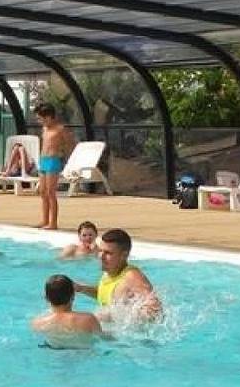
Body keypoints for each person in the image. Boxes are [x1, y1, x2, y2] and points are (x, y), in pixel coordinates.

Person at [74, 228, 163, 320]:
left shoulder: (132, 276)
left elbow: (156, 310)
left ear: (123, 255)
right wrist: (81, 288)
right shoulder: (110, 272)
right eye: (100, 251)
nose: (101, 256)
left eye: (108, 253)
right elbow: (105, 294)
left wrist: (117, 316)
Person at [31, 274, 109, 347]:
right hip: (83, 355)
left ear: (46, 298)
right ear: (73, 296)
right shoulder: (88, 319)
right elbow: (104, 340)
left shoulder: (37, 323)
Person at [34, 103, 75, 231]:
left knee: (51, 192)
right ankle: (45, 220)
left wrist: (66, 156)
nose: (40, 121)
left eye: (41, 118)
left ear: (49, 117)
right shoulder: (45, 129)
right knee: (42, 192)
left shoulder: (60, 129)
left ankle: (53, 223)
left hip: (53, 161)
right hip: (43, 160)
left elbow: (70, 144)